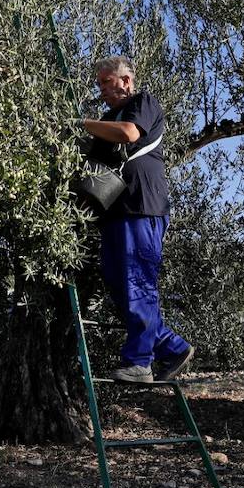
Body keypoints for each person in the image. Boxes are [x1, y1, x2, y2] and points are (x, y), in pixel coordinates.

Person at [80, 56, 194, 383]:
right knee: (119, 285)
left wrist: (83, 123)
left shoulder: (143, 102)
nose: (101, 89)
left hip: (142, 206)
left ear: (125, 81)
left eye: (106, 82)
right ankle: (171, 346)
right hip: (114, 212)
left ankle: (140, 363)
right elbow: (93, 163)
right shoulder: (106, 118)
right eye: (99, 83)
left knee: (137, 284)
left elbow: (130, 133)